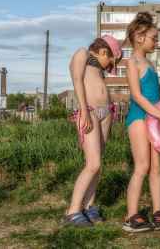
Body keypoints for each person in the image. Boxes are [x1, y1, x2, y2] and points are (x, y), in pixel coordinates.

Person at [122, 12, 160, 232]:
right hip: (140, 118)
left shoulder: (150, 63)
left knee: (156, 168)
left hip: (154, 119)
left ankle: (157, 211)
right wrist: (159, 114)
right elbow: (137, 95)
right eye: (154, 37)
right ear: (140, 37)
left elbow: (155, 94)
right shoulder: (132, 61)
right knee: (142, 166)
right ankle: (131, 216)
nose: (157, 41)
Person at [64, 35, 122, 226]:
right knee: (93, 164)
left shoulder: (98, 67)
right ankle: (72, 211)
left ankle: (88, 206)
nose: (111, 66)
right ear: (104, 51)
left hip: (105, 113)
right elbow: (77, 79)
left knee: (98, 165)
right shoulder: (82, 53)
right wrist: (83, 110)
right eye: (112, 60)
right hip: (88, 111)